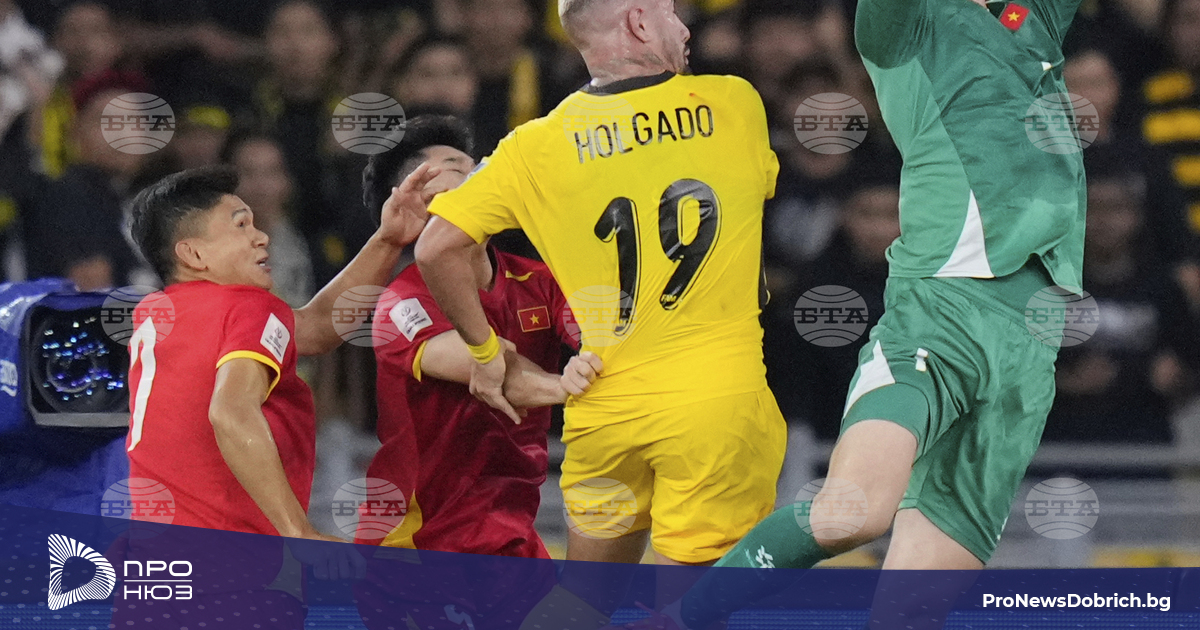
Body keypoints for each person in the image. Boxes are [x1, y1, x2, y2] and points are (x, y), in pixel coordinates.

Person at [630, 0, 1089, 623]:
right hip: (941, 313)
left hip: (1032, 344)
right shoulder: (909, 25)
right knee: (853, 512)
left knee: (912, 611)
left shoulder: (1032, 15)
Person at [415, 0, 785, 573]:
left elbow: (434, 248)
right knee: (688, 609)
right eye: (670, 12)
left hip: (602, 406)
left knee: (583, 603)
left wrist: (487, 355)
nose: (684, 27)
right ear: (638, 23)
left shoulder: (532, 146)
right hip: (715, 407)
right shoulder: (734, 102)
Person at [353, 114, 601, 630]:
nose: (483, 174)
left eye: (478, 165)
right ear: (418, 199)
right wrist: (570, 386)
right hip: (421, 550)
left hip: (512, 538)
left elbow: (598, 332)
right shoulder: (401, 304)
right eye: (456, 168)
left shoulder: (537, 279)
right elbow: (496, 374)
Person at [123, 162, 437, 548]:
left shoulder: (156, 313)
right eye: (241, 225)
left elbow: (315, 328)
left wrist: (387, 240)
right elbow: (231, 413)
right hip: (229, 557)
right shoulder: (249, 306)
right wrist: (298, 531)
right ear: (194, 253)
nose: (261, 237)